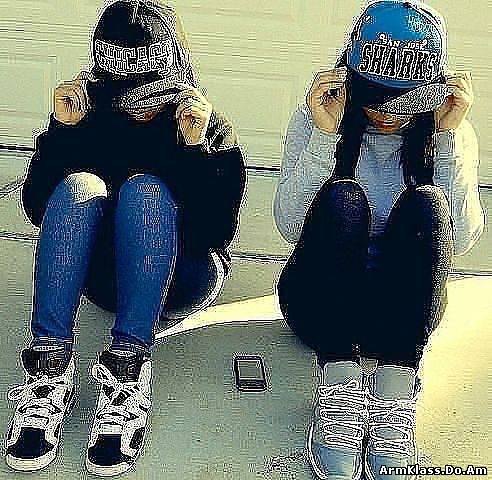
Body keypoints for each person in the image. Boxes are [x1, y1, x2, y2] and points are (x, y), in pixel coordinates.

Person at [5, 0, 246, 475]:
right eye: (124, 94)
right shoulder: (90, 112)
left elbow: (215, 233)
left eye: (149, 94)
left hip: (180, 276)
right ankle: (48, 368)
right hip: (105, 277)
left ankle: (127, 371)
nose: (138, 106)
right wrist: (61, 132)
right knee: (80, 186)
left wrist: (196, 150)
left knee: (144, 191)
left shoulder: (201, 122)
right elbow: (38, 210)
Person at [273, 1, 484, 479]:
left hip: (399, 317)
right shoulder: (318, 118)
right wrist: (324, 137)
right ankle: (338, 395)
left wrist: (447, 139)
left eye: (403, 100)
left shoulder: (449, 131)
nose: (387, 113)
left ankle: (393, 399)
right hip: (322, 306)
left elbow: (461, 239)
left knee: (428, 203)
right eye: (375, 97)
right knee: (344, 198)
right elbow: (289, 226)